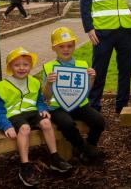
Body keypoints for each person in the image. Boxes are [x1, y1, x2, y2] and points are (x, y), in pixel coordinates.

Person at [0, 47, 72, 187]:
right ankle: (25, 167)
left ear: (30, 66)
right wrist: (6, 126)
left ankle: (55, 158)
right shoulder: (0, 87)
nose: (21, 68)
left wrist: (43, 109)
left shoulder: (34, 82)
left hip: (32, 112)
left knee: (46, 122)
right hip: (14, 116)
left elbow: (39, 101)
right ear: (10, 67)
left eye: (25, 64)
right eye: (17, 65)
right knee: (25, 128)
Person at [42, 27, 106, 163]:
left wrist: (92, 79)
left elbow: (85, 92)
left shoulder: (82, 65)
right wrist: (48, 83)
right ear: (54, 48)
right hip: (57, 108)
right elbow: (46, 96)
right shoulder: (49, 68)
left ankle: (89, 148)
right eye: (61, 46)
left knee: (99, 121)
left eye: (70, 46)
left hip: (79, 105)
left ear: (74, 46)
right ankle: (87, 150)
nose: (66, 49)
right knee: (67, 124)